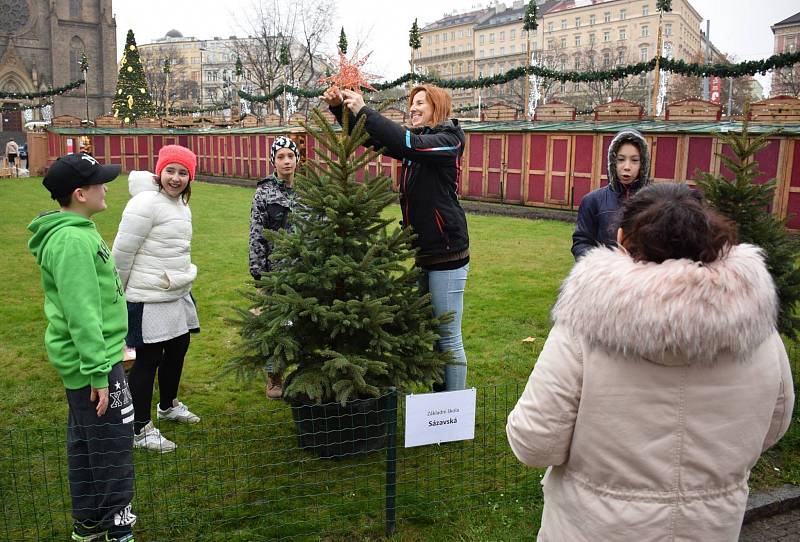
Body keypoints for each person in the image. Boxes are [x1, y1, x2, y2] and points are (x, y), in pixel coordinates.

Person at [507, 183, 795, 541]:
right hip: (709, 527)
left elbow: (535, 442)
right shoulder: (759, 332)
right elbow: (774, 424)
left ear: (621, 238)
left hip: (596, 528)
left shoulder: (583, 327)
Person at [321, 84, 470, 391]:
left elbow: (406, 143)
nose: (412, 108)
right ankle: (438, 403)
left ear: (437, 107)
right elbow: (370, 138)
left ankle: (452, 415)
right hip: (424, 252)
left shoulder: (448, 140)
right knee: (430, 333)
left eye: (420, 103)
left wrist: (364, 108)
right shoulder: (420, 142)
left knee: (448, 336)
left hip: (447, 253)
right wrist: (339, 109)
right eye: (411, 103)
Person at [27, 153, 136, 542]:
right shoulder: (73, 241)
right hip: (96, 367)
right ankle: (117, 531)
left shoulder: (79, 229)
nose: (106, 187)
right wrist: (98, 370)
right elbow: (82, 312)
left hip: (96, 360)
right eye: (99, 183)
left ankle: (88, 524)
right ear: (80, 194)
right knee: (112, 445)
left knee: (88, 442)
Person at [112, 145, 201, 453]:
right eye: (170, 171)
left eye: (182, 173)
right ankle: (139, 428)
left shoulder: (181, 205)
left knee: (178, 348)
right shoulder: (146, 203)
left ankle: (168, 404)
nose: (175, 178)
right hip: (146, 297)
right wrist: (117, 296)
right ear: (159, 171)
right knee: (148, 360)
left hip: (175, 292)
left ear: (190, 178)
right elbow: (123, 252)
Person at [249, 135, 300, 399]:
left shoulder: (306, 191)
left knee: (300, 325)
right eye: (281, 156)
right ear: (273, 161)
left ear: (297, 160)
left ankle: (303, 374)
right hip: (275, 273)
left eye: (290, 156)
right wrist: (259, 273)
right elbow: (257, 235)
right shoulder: (264, 193)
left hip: (303, 271)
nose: (286, 161)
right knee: (274, 328)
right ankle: (274, 377)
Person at [571, 128, 650, 260]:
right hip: (604, 278)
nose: (627, 166)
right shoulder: (592, 201)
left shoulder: (655, 202)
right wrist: (606, 266)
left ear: (643, 164)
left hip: (641, 279)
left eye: (635, 160)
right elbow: (581, 243)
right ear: (612, 162)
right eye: (621, 159)